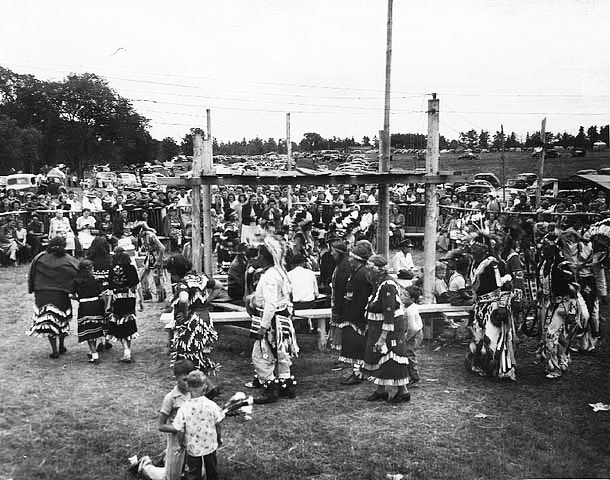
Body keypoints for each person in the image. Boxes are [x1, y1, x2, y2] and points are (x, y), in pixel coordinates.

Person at [246, 236, 298, 404]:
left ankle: (270, 388)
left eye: (260, 255)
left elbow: (270, 304)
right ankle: (286, 386)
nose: (257, 258)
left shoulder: (269, 276)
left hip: (272, 320)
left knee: (260, 354)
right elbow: (287, 295)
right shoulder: (279, 271)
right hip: (282, 318)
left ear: (265, 257)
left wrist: (263, 326)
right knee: (282, 353)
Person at [465, 233, 516, 381]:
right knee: (478, 336)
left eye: (476, 247)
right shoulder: (475, 263)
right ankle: (481, 365)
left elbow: (506, 285)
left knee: (492, 339)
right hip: (480, 306)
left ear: (485, 249)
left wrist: (502, 306)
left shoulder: (495, 264)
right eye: (472, 247)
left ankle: (499, 369)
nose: (472, 250)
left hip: (493, 306)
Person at [362, 254, 412, 403]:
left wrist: (383, 337)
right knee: (379, 357)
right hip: (378, 327)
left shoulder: (388, 285)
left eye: (370, 267)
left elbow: (389, 312)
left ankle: (403, 392)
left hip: (390, 329)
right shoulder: (378, 282)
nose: (367, 270)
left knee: (392, 358)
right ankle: (380, 390)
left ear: (379, 269)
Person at [165, 255, 218, 374]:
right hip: (205, 318)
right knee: (200, 352)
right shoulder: (201, 278)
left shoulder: (183, 284)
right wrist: (208, 300)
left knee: (188, 352)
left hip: (192, 322)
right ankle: (204, 384)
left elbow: (183, 299)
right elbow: (218, 286)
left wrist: (185, 313)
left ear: (175, 272)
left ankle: (198, 384)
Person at [27, 237, 79, 358]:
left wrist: (32, 288)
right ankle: (61, 345)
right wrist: (76, 292)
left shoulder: (39, 257)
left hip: (42, 295)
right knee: (61, 321)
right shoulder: (69, 260)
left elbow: (31, 274)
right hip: (60, 296)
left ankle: (54, 349)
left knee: (49, 322)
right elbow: (78, 274)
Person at [168, 370, 224, 480]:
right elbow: (218, 424)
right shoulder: (211, 405)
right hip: (210, 445)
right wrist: (219, 437)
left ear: (188, 387)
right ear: (205, 387)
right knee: (212, 470)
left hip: (192, 447)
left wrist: (180, 444)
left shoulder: (184, 408)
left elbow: (180, 430)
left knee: (193, 472)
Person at [339, 240, 373, 385]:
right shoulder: (358, 272)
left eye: (351, 257)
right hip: (354, 315)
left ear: (358, 259)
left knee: (356, 347)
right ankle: (360, 371)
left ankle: (358, 373)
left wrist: (355, 316)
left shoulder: (361, 275)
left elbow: (361, 298)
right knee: (356, 346)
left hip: (357, 317)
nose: (349, 259)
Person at [108, 248, 140, 363]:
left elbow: (110, 286)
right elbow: (135, 285)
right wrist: (139, 301)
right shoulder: (131, 268)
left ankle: (125, 348)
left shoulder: (112, 269)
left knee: (119, 322)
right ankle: (128, 350)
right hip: (130, 297)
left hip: (117, 298)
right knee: (129, 321)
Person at [74, 259, 106, 363]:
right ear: (89, 269)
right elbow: (101, 293)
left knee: (88, 331)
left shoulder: (77, 281)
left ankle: (94, 354)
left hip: (84, 306)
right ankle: (94, 351)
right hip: (96, 305)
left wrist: (79, 299)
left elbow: (71, 295)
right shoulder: (96, 280)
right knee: (95, 328)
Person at [135, 224, 167, 303]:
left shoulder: (151, 236)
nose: (137, 236)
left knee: (157, 277)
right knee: (141, 276)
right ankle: (146, 294)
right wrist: (141, 251)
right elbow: (146, 246)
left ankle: (161, 296)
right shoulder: (143, 237)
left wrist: (159, 261)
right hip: (149, 257)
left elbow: (162, 248)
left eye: (137, 234)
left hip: (156, 257)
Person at [328, 240, 350, 353]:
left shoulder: (344, 267)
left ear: (339, 252)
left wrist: (337, 307)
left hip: (341, 302)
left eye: (333, 251)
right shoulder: (341, 264)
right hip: (339, 299)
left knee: (342, 326)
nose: (331, 254)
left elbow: (341, 289)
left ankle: (342, 349)